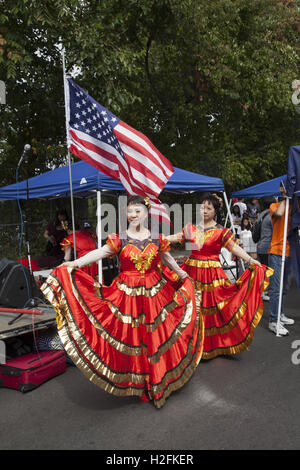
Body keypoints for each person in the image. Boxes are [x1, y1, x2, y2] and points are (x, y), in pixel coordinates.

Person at [41, 195, 204, 409]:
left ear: (146, 213)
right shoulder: (119, 239)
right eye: (130, 211)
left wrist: (184, 276)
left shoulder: (157, 239)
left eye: (137, 211)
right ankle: (140, 381)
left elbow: (168, 260)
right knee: (134, 339)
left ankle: (156, 381)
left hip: (155, 295)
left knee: (155, 338)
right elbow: (99, 253)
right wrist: (74, 263)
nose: (133, 215)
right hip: (127, 296)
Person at [166, 193, 273, 360]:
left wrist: (251, 259)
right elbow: (175, 238)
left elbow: (234, 248)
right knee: (191, 306)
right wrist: (155, 239)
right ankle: (191, 343)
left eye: (209, 208)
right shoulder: (191, 228)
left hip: (212, 275)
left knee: (214, 308)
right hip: (192, 271)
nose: (204, 210)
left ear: (215, 211)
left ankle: (211, 345)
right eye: (202, 207)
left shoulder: (222, 231)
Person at [268, 183, 294, 336]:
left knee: (284, 288)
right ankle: (273, 320)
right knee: (276, 288)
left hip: (290, 252)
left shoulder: (295, 205)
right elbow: (278, 214)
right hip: (277, 251)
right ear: (281, 189)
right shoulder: (275, 205)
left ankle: (280, 314)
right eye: (284, 187)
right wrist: (287, 198)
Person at [256, 198, 275, 301]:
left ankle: (262, 291)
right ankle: (264, 292)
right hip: (267, 247)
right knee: (267, 271)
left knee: (263, 270)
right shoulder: (270, 217)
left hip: (260, 245)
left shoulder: (262, 215)